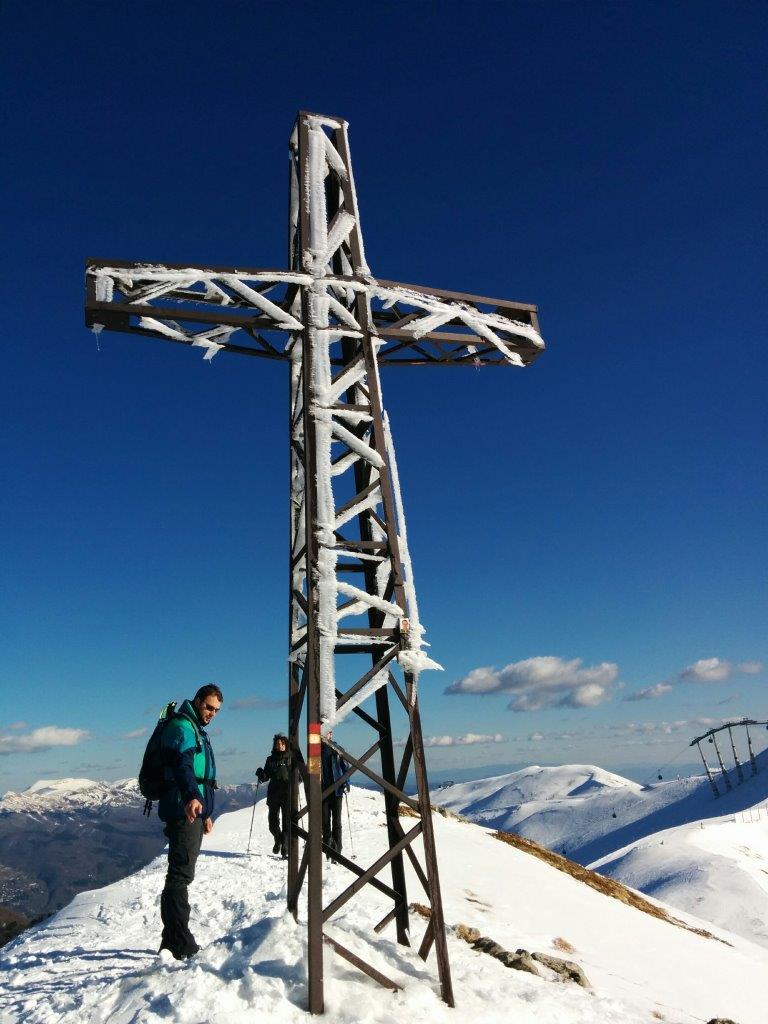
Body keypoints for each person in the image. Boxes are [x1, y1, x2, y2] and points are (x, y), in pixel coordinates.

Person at [157, 683, 222, 960]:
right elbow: (183, 766)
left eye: (216, 710)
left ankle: (171, 941)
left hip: (192, 811)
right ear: (197, 701)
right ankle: (181, 942)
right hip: (184, 810)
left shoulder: (194, 728)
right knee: (180, 876)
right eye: (208, 707)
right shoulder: (183, 727)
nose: (212, 714)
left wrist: (204, 813)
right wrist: (191, 799)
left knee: (182, 874)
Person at [256, 734, 292, 858]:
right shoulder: (270, 759)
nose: (280, 746)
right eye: (278, 744)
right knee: (272, 824)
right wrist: (261, 774)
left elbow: (298, 777)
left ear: (286, 744)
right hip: (274, 794)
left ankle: (285, 847)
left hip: (288, 794)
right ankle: (279, 839)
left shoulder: (291, 758)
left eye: (282, 743)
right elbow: (266, 777)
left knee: (287, 822)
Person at [321, 732, 349, 858]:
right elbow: (313, 769)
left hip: (337, 790)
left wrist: (346, 782)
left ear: (331, 734)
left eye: (328, 732)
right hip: (323, 791)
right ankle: (328, 847)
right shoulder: (316, 751)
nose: (326, 734)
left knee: (336, 822)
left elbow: (345, 768)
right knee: (325, 821)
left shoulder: (337, 749)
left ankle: (337, 850)